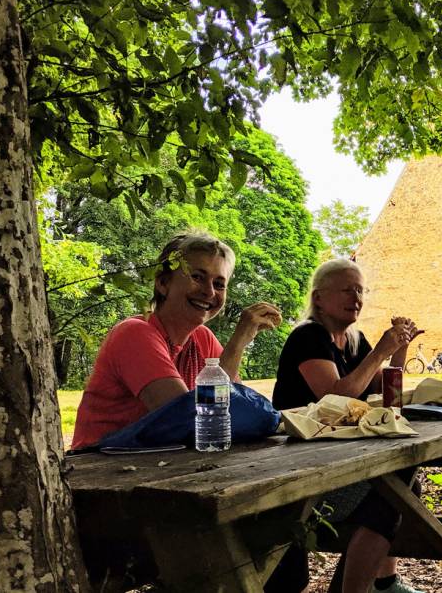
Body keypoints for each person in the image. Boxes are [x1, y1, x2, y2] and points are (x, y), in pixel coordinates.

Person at [269, 258, 423, 593]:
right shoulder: (308, 337)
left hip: (339, 457)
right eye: (347, 289)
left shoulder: (354, 339)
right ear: (319, 298)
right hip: (297, 472)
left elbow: (385, 390)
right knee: (395, 488)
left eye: (360, 290)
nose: (357, 297)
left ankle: (383, 583)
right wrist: (380, 351)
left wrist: (399, 348)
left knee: (404, 483)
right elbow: (335, 399)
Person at [71, 231, 281, 450]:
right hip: (99, 466)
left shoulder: (203, 339)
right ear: (163, 283)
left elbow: (234, 408)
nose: (209, 292)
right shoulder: (134, 333)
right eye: (197, 277)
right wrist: (239, 340)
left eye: (219, 284)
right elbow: (185, 418)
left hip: (158, 461)